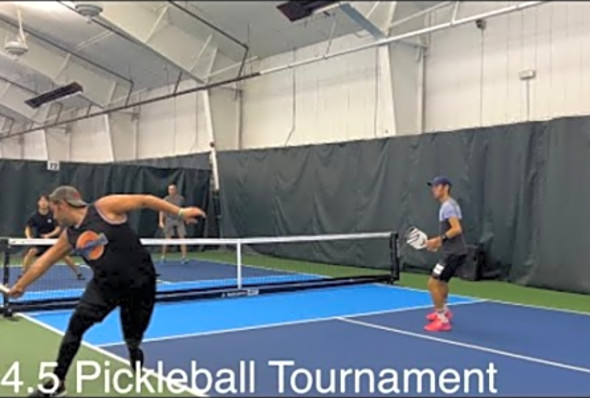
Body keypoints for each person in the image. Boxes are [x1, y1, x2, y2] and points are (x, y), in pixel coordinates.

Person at [8, 186, 205, 397]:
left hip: (140, 284)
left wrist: (181, 213)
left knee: (133, 334)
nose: (54, 216)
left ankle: (133, 347)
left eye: (54, 210)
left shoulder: (104, 207)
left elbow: (145, 200)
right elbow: (44, 261)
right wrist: (21, 285)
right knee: (75, 326)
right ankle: (58, 382)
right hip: (104, 287)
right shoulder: (69, 236)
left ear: (62, 204)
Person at [424, 176, 467, 332]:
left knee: (433, 283)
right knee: (441, 282)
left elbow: (456, 229)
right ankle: (444, 311)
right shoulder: (450, 204)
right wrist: (439, 243)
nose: (433, 189)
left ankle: (441, 319)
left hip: (453, 253)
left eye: (436, 186)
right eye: (433, 186)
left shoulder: (448, 206)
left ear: (445, 187)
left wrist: (438, 240)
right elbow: (451, 231)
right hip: (456, 251)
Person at [21, 194, 84, 281]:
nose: (43, 203)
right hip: (39, 241)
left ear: (48, 203)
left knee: (65, 256)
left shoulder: (53, 214)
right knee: (31, 253)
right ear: (38, 203)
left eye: (45, 201)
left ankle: (78, 273)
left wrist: (49, 235)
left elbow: (58, 228)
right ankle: (23, 274)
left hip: (52, 241)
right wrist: (28, 237)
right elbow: (28, 228)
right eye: (41, 201)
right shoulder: (34, 216)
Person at [159, 184, 188, 263]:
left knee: (182, 239)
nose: (171, 191)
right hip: (169, 220)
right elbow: (162, 210)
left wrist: (187, 218)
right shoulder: (166, 199)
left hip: (179, 220)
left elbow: (184, 210)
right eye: (169, 189)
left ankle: (184, 257)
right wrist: (161, 221)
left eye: (172, 189)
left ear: (176, 190)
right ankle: (163, 256)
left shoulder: (181, 199)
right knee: (168, 239)